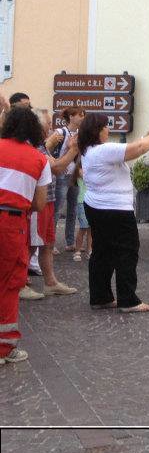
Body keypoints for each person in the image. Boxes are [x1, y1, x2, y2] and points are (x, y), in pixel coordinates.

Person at [79, 114, 149, 313]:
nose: (108, 130)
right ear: (98, 130)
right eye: (105, 127)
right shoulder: (104, 150)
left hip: (97, 206)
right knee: (127, 251)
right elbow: (138, 149)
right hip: (115, 209)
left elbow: (134, 146)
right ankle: (128, 300)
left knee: (103, 251)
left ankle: (100, 297)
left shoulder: (89, 151)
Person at [0, 107, 51, 364]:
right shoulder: (39, 160)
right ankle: (4, 349)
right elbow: (40, 204)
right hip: (12, 223)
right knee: (9, 283)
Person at [34, 112, 79, 296]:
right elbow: (57, 167)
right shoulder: (38, 146)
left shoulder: (44, 145)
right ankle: (19, 284)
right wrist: (73, 150)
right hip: (40, 201)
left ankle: (50, 282)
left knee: (48, 243)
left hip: (48, 198)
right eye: (48, 124)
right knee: (33, 244)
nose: (52, 128)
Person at [52, 106, 84, 252]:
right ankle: (50, 243)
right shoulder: (60, 132)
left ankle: (70, 242)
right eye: (79, 115)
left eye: (83, 115)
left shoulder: (81, 134)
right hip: (62, 174)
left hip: (75, 175)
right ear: (71, 117)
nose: (82, 117)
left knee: (73, 209)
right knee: (57, 209)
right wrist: (59, 163)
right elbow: (48, 150)